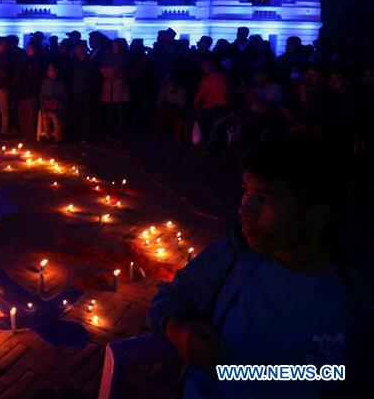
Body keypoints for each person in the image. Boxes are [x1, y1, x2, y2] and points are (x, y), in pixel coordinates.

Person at [149, 134, 372, 399]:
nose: (245, 209)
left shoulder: (358, 290)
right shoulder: (233, 256)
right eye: (246, 191)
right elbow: (169, 299)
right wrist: (178, 330)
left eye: (266, 199)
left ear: (318, 215)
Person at [18, 42, 43, 139]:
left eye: (29, 48)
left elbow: (37, 78)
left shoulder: (37, 62)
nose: (27, 49)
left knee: (30, 113)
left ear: (35, 50)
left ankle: (30, 133)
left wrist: (30, 88)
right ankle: (25, 132)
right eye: (27, 48)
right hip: (24, 90)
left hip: (31, 92)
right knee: (23, 112)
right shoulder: (26, 60)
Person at [39, 62, 66, 143]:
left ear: (56, 71)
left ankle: (58, 138)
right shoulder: (45, 82)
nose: (48, 71)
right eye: (48, 69)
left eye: (50, 69)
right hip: (46, 105)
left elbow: (62, 96)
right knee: (45, 120)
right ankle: (47, 137)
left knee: (56, 121)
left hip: (55, 106)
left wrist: (55, 103)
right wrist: (45, 102)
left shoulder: (60, 84)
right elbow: (42, 94)